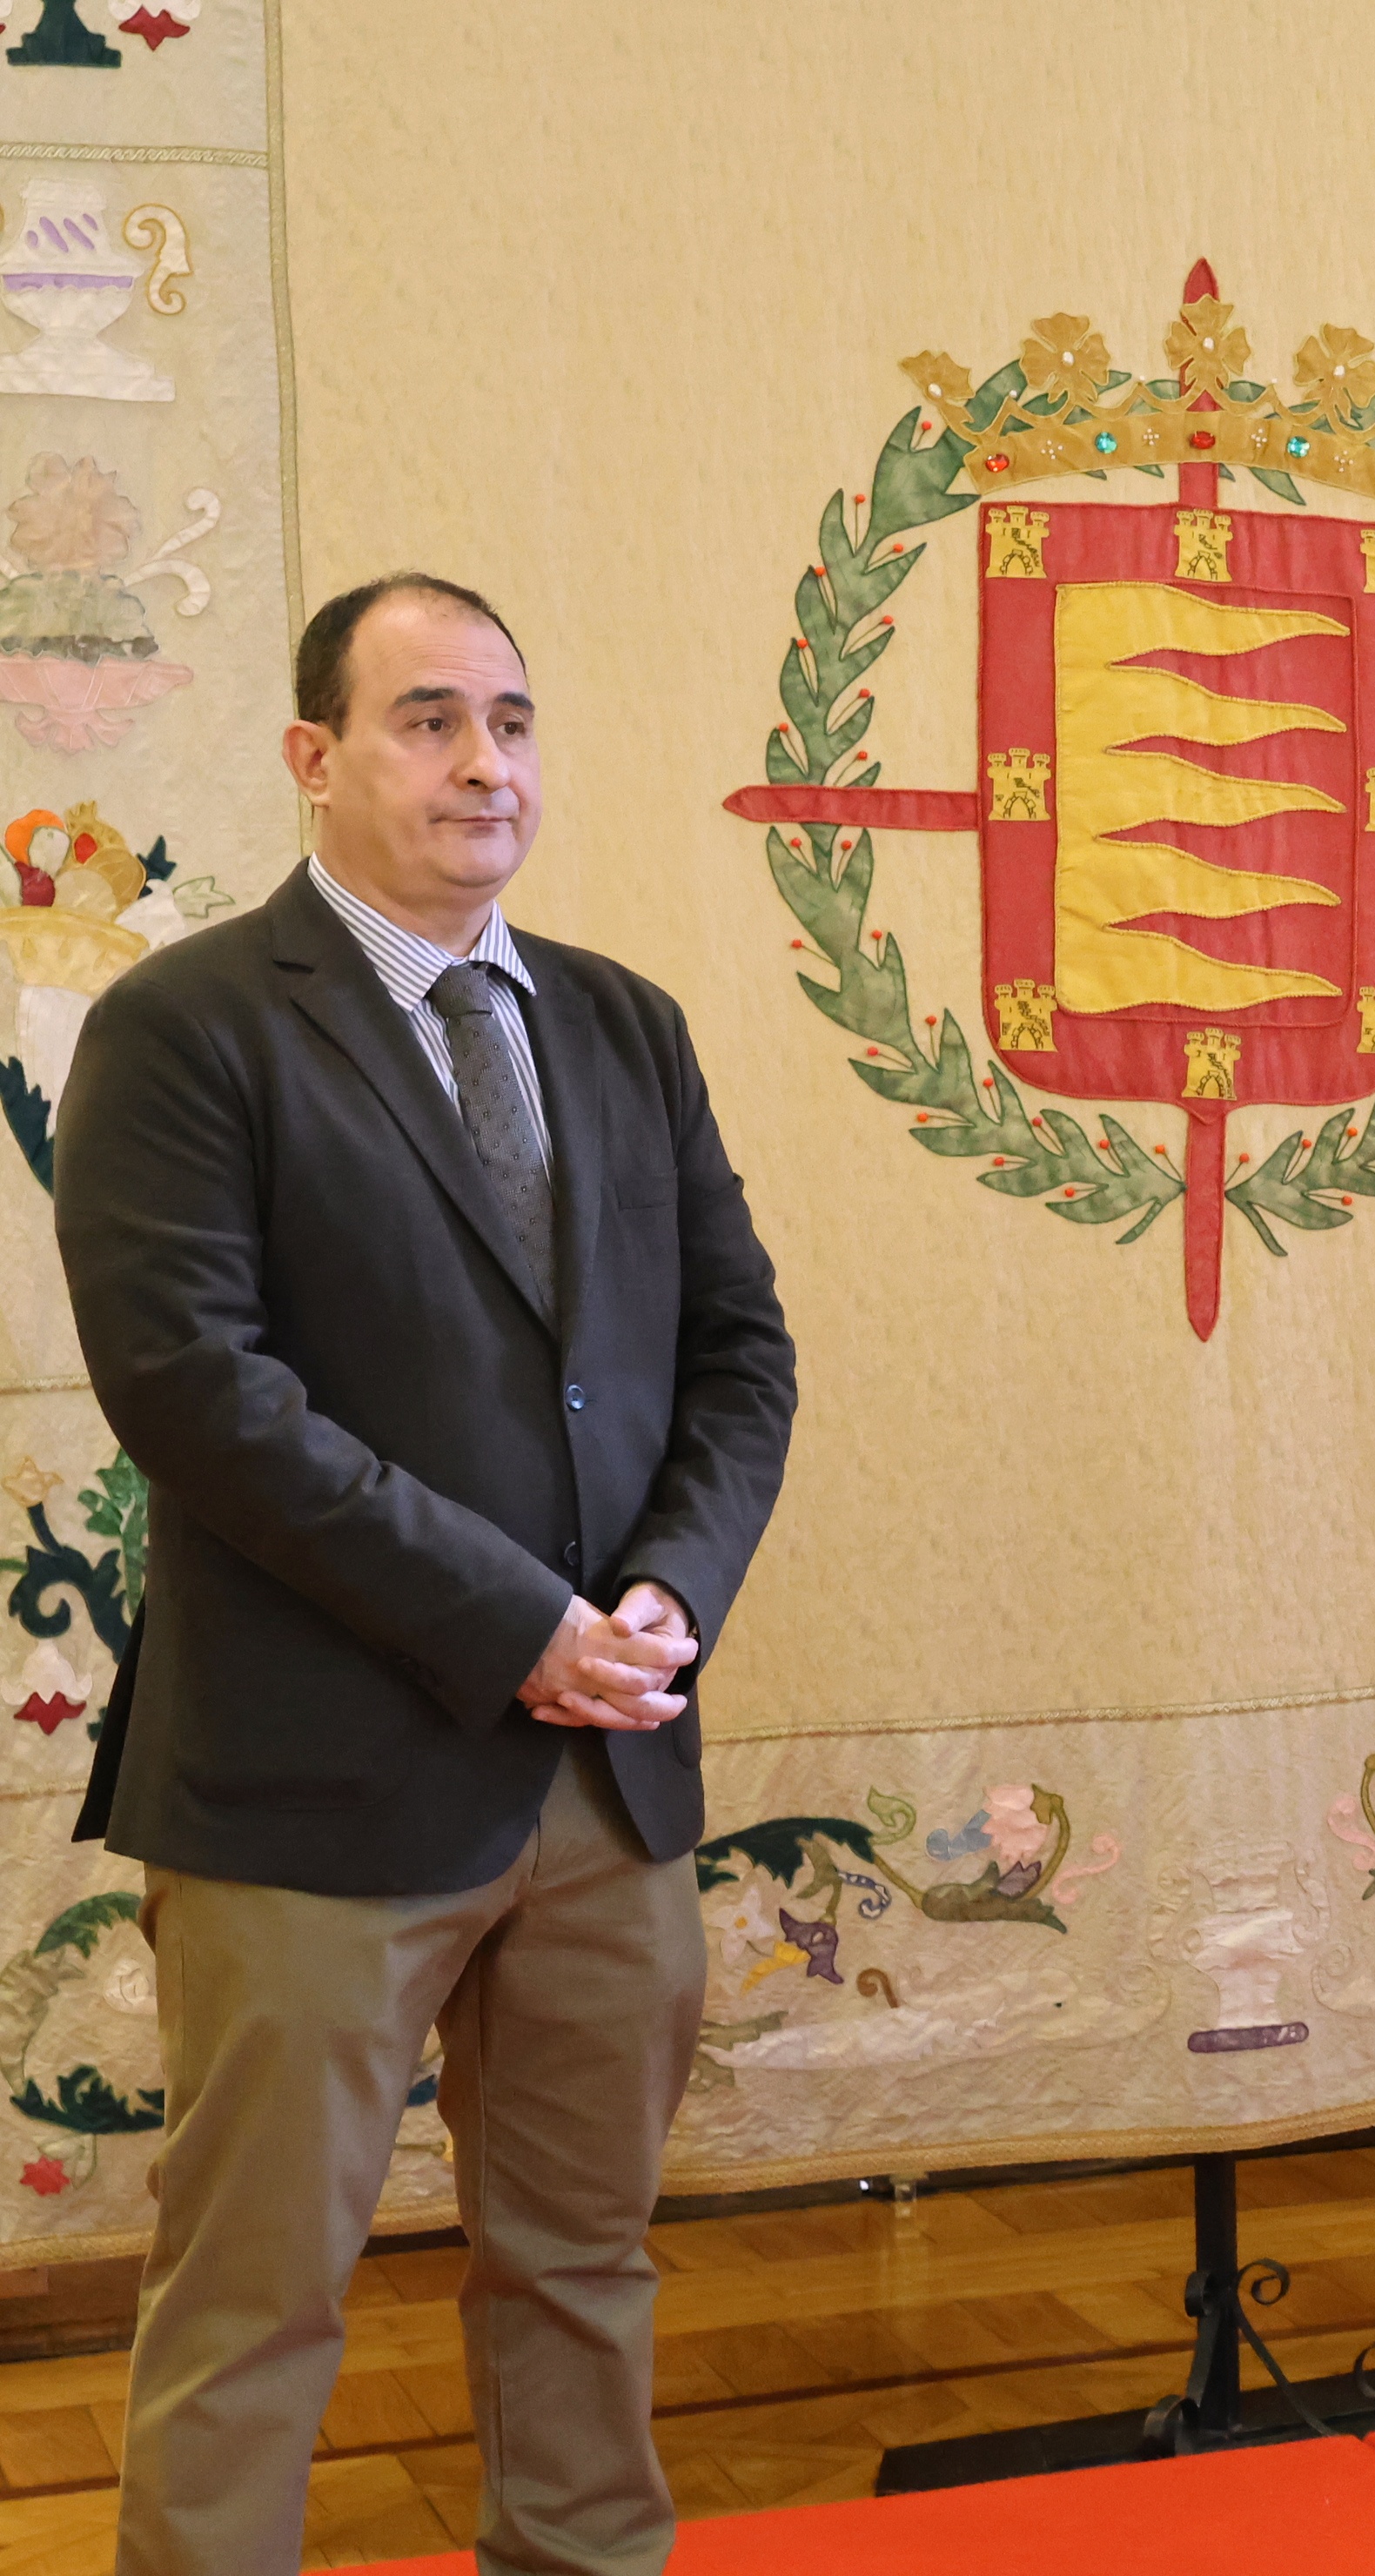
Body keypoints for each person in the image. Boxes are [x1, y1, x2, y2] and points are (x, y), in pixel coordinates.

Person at [54, 574, 797, 2573]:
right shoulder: (188, 1026)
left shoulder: (624, 1025)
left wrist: (669, 1593)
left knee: (584, 2264)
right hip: (312, 1787)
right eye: (430, 719)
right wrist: (515, 1626)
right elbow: (200, 1394)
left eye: (513, 721)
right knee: (256, 2296)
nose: (486, 764)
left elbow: (739, 1352)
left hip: (606, 1777)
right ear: (315, 756)